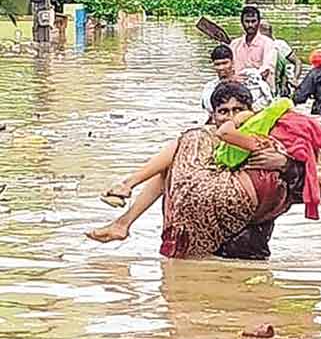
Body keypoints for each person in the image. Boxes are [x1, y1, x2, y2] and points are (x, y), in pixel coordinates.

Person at [87, 82, 307, 259]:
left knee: (187, 140)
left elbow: (307, 186)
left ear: (252, 112)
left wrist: (285, 164)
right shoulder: (207, 147)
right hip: (205, 248)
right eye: (224, 111)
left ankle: (125, 198)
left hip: (247, 249)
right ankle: (123, 220)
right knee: (172, 166)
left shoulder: (268, 137)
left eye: (238, 110)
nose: (231, 117)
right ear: (213, 116)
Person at [201, 44, 273, 117]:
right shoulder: (209, 88)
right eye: (217, 64)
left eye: (225, 63)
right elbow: (209, 109)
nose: (221, 68)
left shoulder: (249, 81)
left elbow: (267, 100)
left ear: (232, 63)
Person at [230, 6, 277, 92]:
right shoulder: (234, 45)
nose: (250, 25)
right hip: (238, 90)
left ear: (258, 23)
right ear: (242, 23)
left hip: (262, 91)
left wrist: (248, 78)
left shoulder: (268, 43)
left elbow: (266, 69)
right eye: (247, 21)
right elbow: (230, 69)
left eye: (253, 21)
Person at [259, 20, 302, 96]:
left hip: (281, 85)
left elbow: (297, 62)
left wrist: (295, 79)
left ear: (270, 32)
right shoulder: (254, 47)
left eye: (264, 30)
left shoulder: (280, 45)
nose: (262, 33)